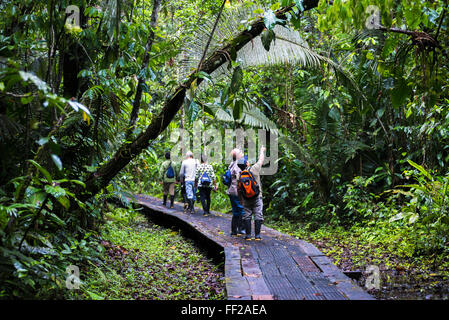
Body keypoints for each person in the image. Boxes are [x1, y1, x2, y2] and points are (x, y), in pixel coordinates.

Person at [237, 145, 266, 240]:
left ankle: (248, 236)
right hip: (257, 197)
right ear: (247, 164)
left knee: (247, 215)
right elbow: (261, 160)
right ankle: (257, 236)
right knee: (258, 214)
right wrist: (262, 151)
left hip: (246, 199)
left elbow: (239, 189)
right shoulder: (254, 169)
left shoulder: (239, 175)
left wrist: (241, 200)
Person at [227, 148, 246, 236]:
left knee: (235, 211)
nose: (242, 153)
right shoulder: (238, 165)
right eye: (241, 152)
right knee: (241, 209)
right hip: (236, 191)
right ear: (238, 155)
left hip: (231, 190)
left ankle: (234, 230)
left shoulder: (231, 164)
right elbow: (240, 178)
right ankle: (241, 229)